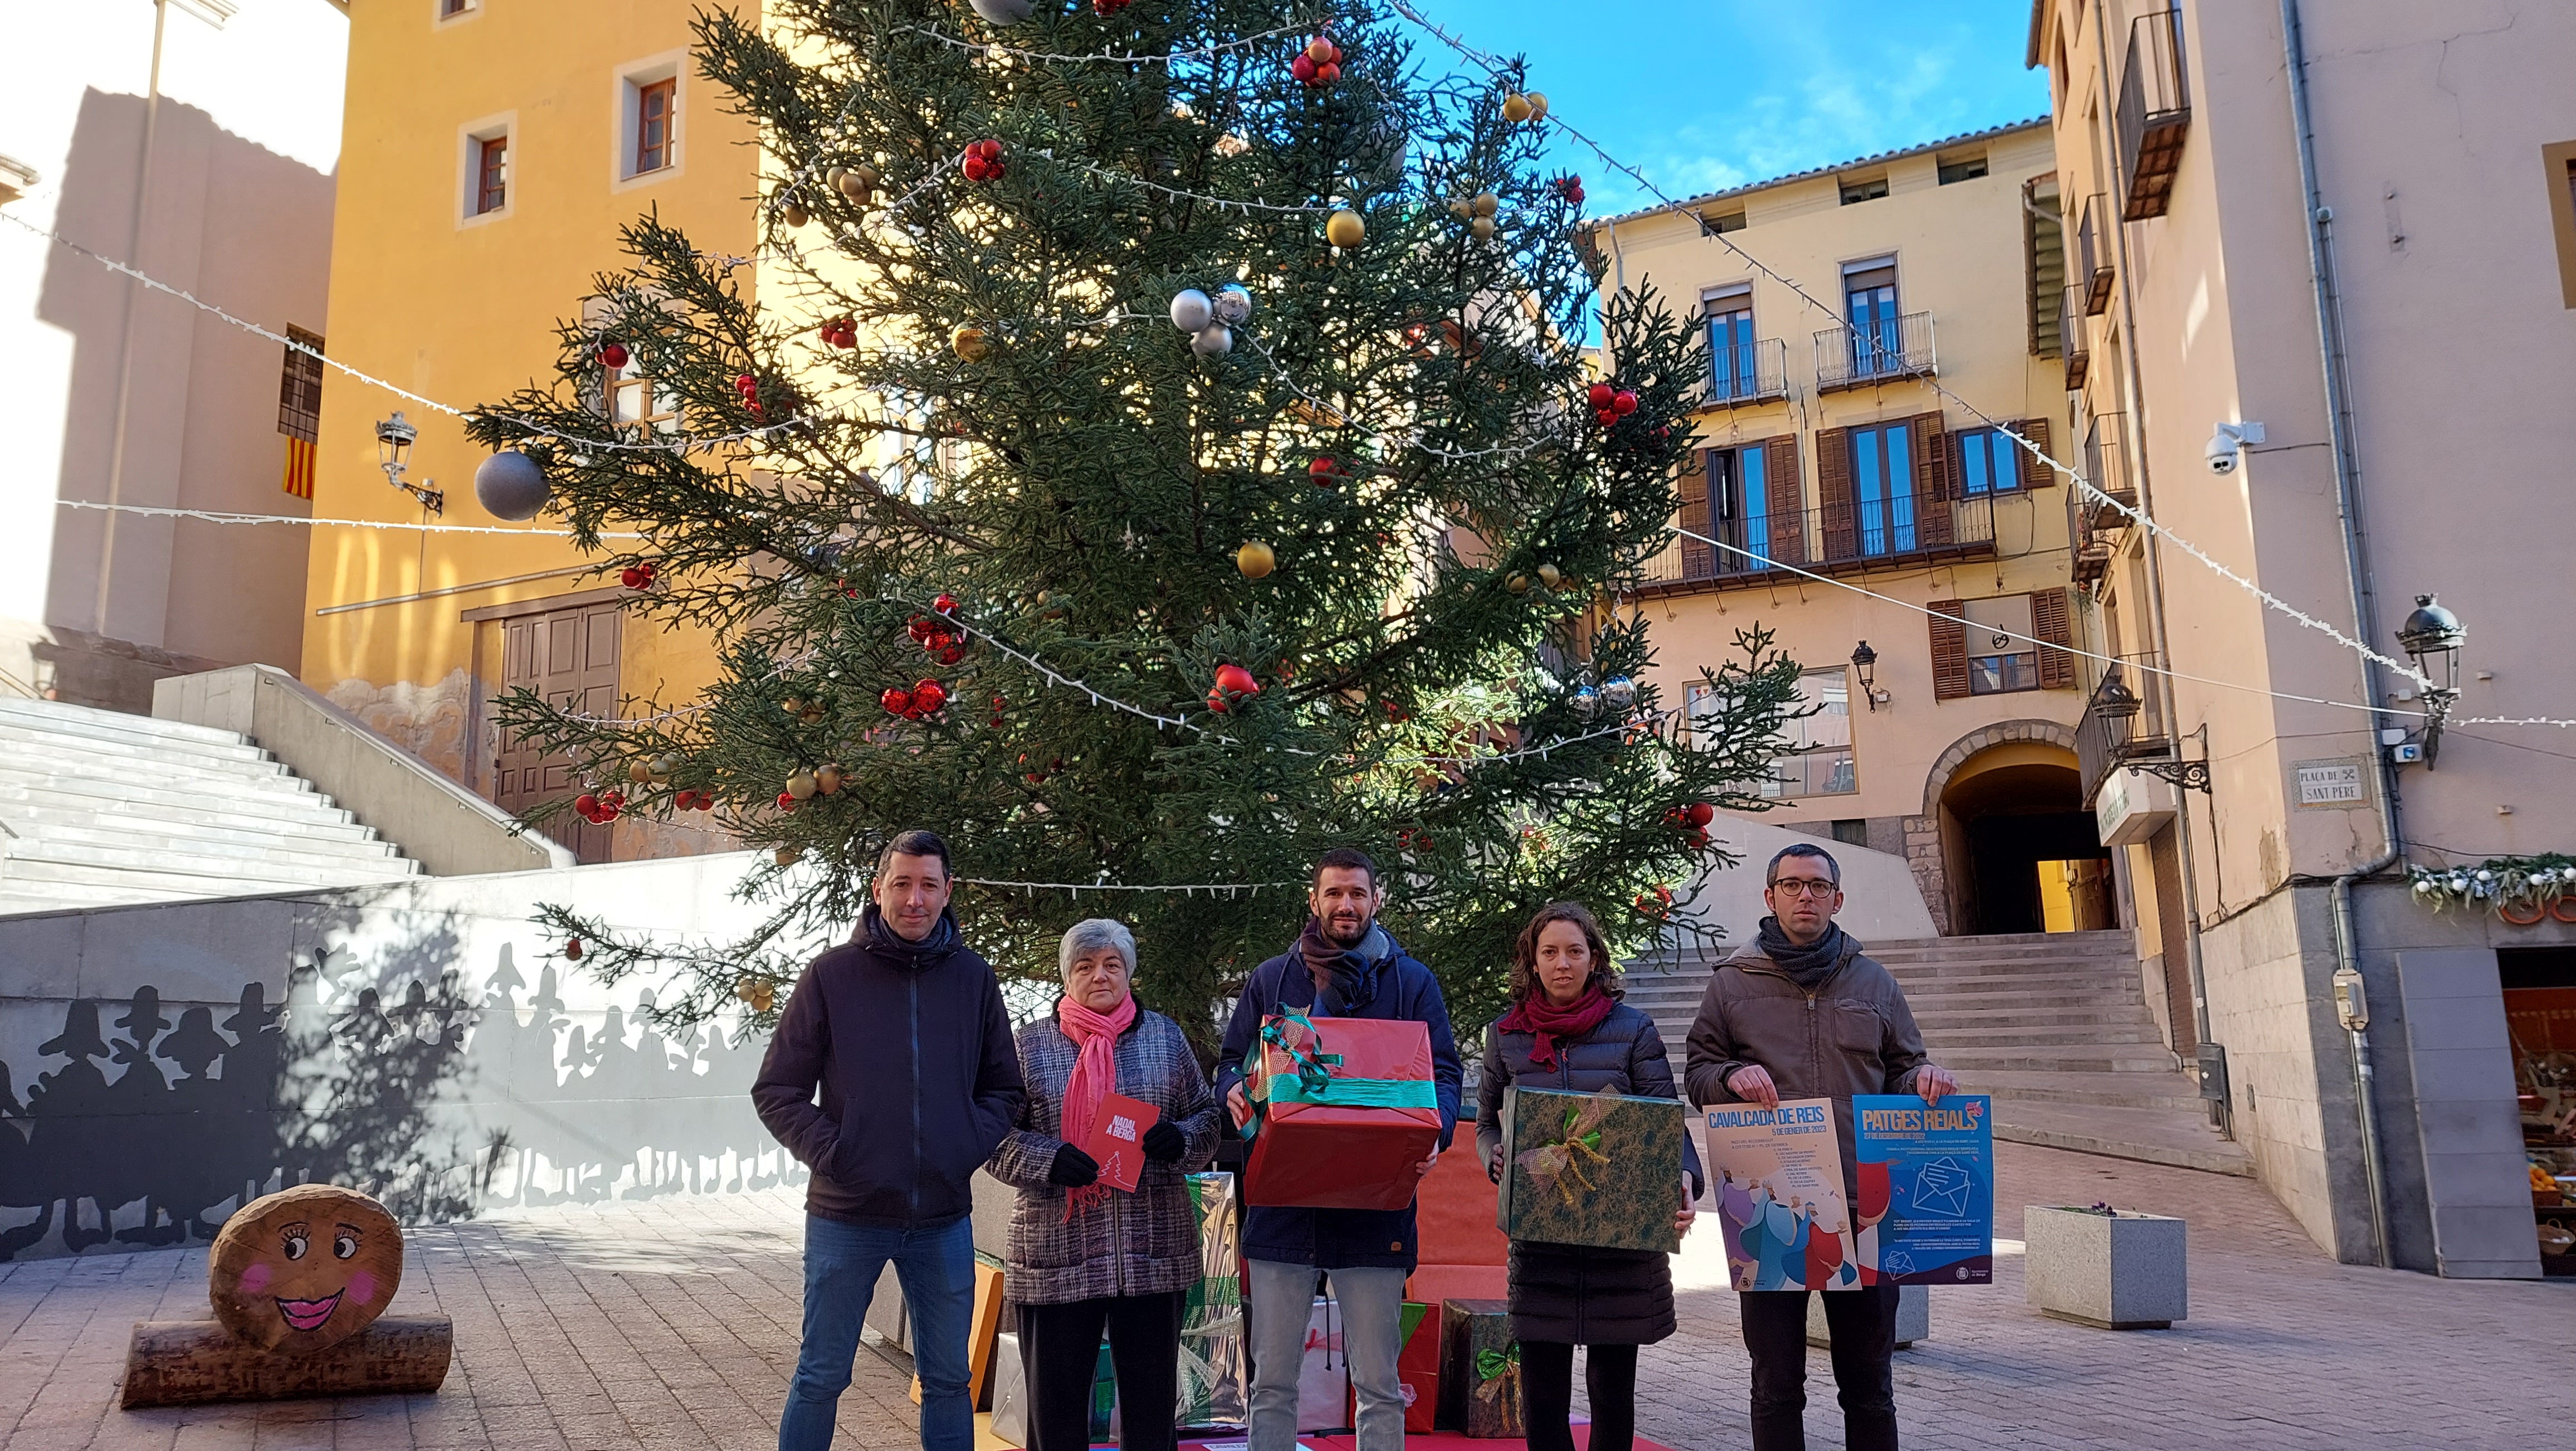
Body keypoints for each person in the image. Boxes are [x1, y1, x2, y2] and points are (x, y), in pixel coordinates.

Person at [753, 830, 1027, 1451]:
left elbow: (1005, 1090)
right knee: (822, 1374)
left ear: (947, 891)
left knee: (950, 1381)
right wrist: (838, 1154)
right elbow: (778, 1091)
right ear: (878, 890)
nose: (914, 899)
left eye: (928, 885)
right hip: (846, 1216)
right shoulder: (830, 976)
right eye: (901, 884)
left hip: (941, 1220)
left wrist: (962, 1147)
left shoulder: (974, 980)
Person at [1684, 842, 1956, 1451]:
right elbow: (1697, 1074)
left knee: (1868, 1383)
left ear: (1837, 899)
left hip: (1865, 1212)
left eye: (1816, 886)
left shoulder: (1875, 981)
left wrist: (1925, 1081)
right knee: (1775, 1384)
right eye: (1790, 885)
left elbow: (1904, 1068)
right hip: (1770, 1211)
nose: (1803, 895)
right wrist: (1729, 1077)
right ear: (1769, 896)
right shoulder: (1730, 984)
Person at [1216, 848, 1462, 1451]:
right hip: (1283, 1209)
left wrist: (1437, 1132)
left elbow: (1446, 1075)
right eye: (1334, 893)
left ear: (1376, 900)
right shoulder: (1274, 978)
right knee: (1272, 1382)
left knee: (1378, 1384)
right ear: (1314, 900)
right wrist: (1235, 1093)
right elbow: (1231, 1060)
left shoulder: (1411, 982)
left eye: (1356, 893)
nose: (1345, 905)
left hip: (1375, 1210)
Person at [986, 920, 1223, 1451]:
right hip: (1056, 1256)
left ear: (1129, 973)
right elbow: (991, 1138)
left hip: (1153, 1256)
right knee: (1056, 1419)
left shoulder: (1165, 1038)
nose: (1100, 976)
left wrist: (1177, 1140)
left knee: (1151, 1416)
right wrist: (1050, 1159)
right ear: (1067, 976)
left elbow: (1208, 1121)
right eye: (1085, 966)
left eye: (1112, 965)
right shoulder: (1028, 1045)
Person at [1477, 902, 1701, 1451]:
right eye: (1549, 952)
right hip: (1542, 1243)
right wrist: (1494, 1158)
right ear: (1532, 962)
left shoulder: (1633, 1030)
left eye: (1574, 951)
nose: (1562, 963)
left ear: (1594, 958)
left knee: (1611, 1394)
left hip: (1618, 1244)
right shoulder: (1505, 1035)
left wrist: (1686, 1181)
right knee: (1543, 1399)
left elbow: (1664, 1119)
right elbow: (1486, 1124)